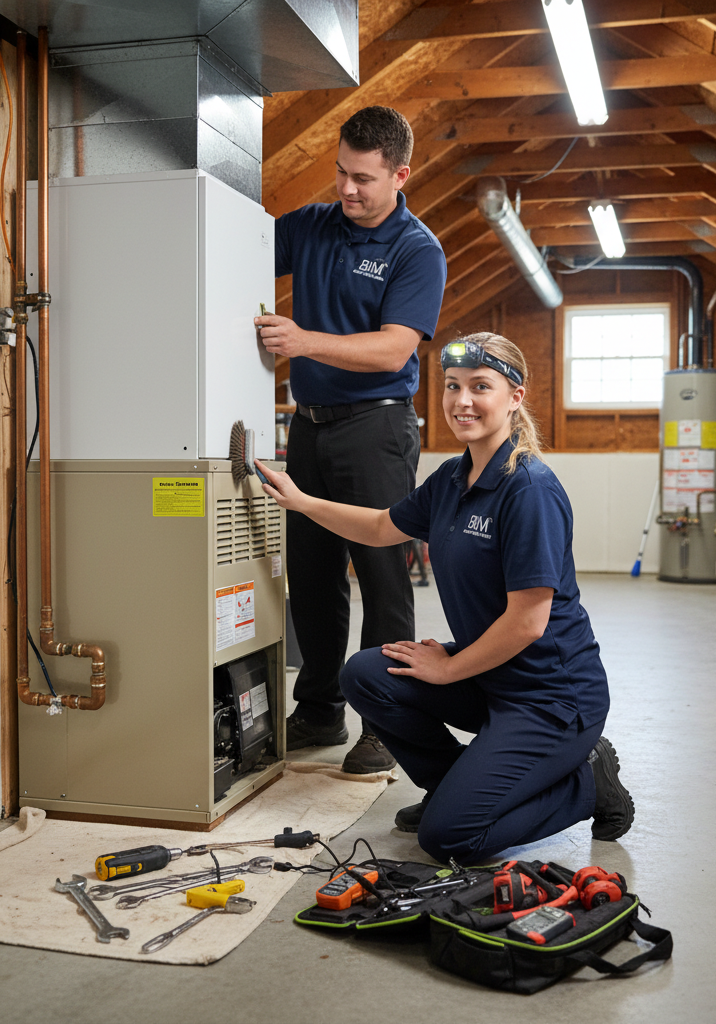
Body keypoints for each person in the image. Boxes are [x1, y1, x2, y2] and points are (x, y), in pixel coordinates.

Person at [255, 333, 634, 864]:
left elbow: (528, 622)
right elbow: (384, 525)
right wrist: (302, 501)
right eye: (452, 387)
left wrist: (449, 669)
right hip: (492, 677)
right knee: (365, 674)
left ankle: (586, 786)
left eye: (481, 387)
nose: (462, 401)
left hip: (552, 697)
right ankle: (454, 785)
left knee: (450, 838)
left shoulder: (530, 490)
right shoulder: (453, 477)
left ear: (515, 397)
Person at [255, 106, 447, 774]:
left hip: (377, 427)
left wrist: (302, 341)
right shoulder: (310, 227)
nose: (347, 189)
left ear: (400, 173)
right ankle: (318, 710)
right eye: (340, 172)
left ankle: (387, 723)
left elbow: (395, 350)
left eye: (362, 178)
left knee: (383, 576)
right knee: (310, 576)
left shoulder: (416, 249)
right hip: (308, 426)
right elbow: (236, 252)